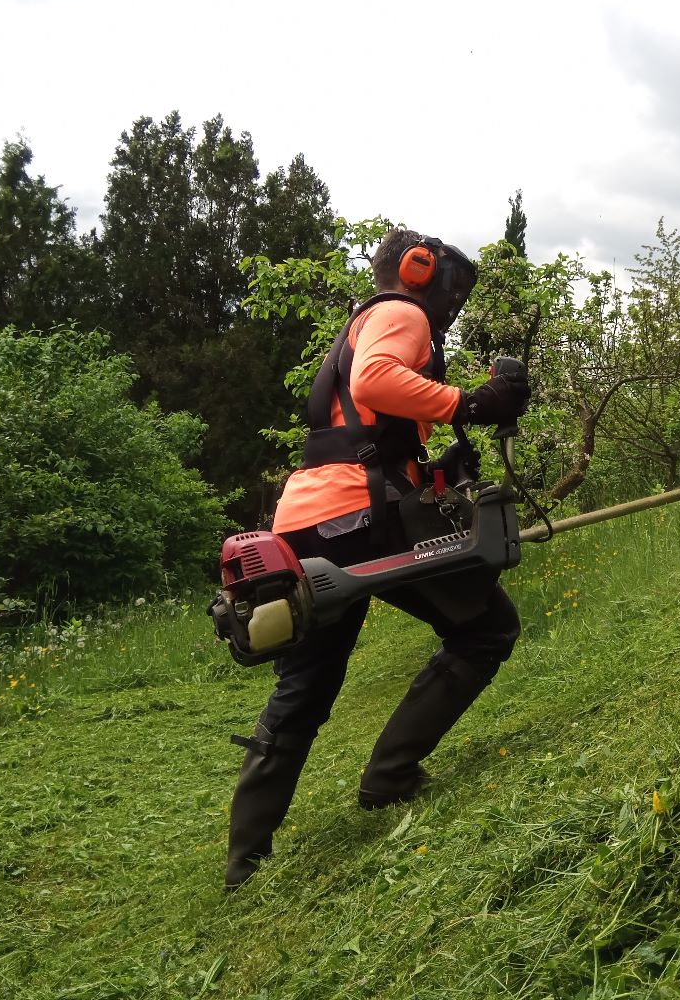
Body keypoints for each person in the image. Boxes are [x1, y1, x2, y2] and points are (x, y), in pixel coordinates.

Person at [225, 228, 531, 890]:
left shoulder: (364, 322)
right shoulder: (401, 312)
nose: (453, 303)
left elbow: (364, 427)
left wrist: (436, 465)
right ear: (419, 271)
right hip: (359, 516)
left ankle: (245, 861)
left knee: (304, 688)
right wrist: (469, 403)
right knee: (486, 628)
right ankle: (389, 777)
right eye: (452, 287)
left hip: (308, 519)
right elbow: (377, 381)